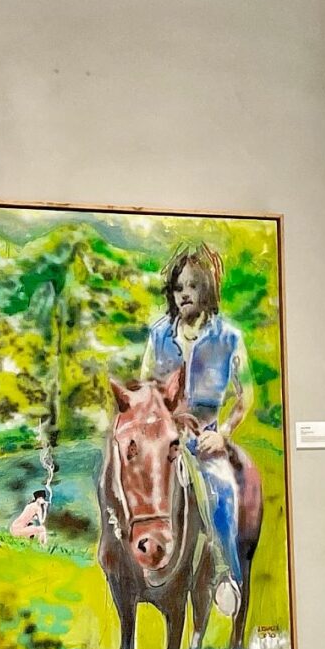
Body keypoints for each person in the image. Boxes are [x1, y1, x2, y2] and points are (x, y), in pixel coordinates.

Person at [141, 242, 251, 617]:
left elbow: (245, 396)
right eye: (178, 287)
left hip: (205, 442)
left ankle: (224, 573)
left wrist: (223, 434)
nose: (184, 294)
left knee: (222, 489)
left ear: (207, 287)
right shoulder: (158, 336)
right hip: (164, 441)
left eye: (192, 285)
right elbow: (145, 389)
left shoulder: (229, 338)